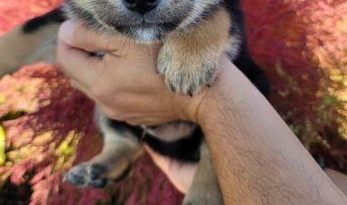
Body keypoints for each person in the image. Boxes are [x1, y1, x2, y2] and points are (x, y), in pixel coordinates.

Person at [57, 20, 347, 204]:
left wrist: (208, 101)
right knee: (116, 124)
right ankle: (117, 151)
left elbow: (220, 18)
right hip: (156, 135)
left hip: (205, 135)